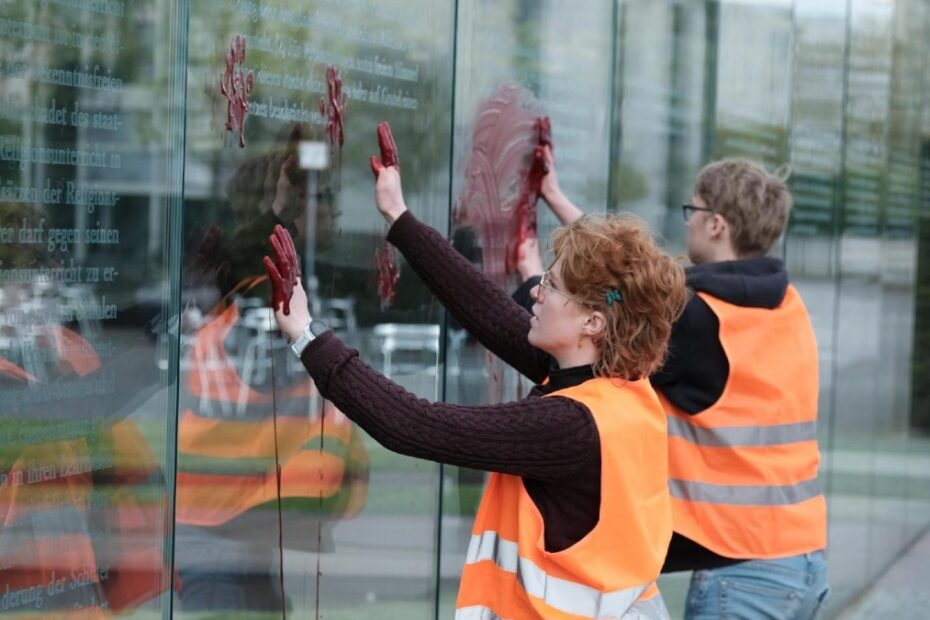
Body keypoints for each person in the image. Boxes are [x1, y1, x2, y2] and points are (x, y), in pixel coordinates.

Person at [264, 123, 689, 619]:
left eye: (550, 287)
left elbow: (416, 426)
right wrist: (399, 218)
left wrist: (306, 336)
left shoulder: (570, 427)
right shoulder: (621, 388)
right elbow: (485, 309)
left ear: (593, 321)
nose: (535, 291)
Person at [525, 150, 829, 619]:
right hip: (802, 557)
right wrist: (558, 201)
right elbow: (633, 281)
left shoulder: (699, 319)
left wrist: (533, 277)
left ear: (716, 225)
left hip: (742, 570)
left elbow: (611, 310)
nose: (686, 223)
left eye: (693, 210)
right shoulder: (785, 303)